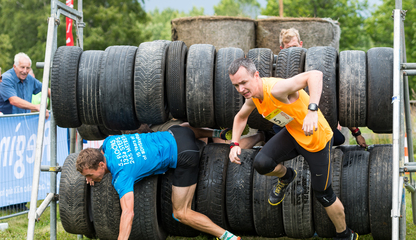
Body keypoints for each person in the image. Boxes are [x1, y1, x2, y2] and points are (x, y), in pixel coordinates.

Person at [228, 58, 358, 240]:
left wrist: (312, 110)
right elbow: (240, 117)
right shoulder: (254, 98)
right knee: (262, 163)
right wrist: (234, 143)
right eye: (236, 85)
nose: (241, 89)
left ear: (256, 75)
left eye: (243, 82)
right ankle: (287, 176)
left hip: (317, 140)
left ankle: (345, 235)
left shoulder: (276, 89)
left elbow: (315, 75)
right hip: (293, 133)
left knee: (323, 194)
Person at [76, 125, 243, 240]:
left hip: (185, 156)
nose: (89, 179)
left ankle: (228, 237)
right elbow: (97, 153)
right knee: (181, 129)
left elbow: (128, 213)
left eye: (90, 175)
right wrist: (90, 174)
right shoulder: (109, 142)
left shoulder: (121, 176)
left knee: (180, 213)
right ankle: (217, 133)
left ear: (101, 165)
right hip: (180, 133)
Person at [279, 27, 367, 148]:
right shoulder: (278, 71)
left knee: (338, 138)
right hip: (289, 121)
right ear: (281, 49)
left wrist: (357, 134)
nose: (293, 52)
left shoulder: (313, 65)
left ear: (301, 44)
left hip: (311, 118)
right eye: (288, 48)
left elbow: (339, 98)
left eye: (295, 47)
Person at [0, 52, 50, 118]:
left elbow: (45, 89)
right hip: (6, 123)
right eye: (22, 67)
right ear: (14, 66)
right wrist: (37, 107)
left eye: (28, 68)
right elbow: (14, 101)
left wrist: (61, 101)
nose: (25, 71)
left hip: (24, 122)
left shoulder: (29, 78)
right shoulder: (5, 79)